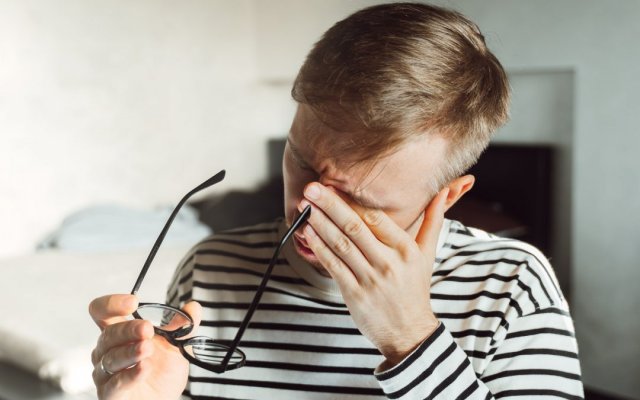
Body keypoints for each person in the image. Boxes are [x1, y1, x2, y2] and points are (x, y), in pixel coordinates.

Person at [89, 2, 584, 399]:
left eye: (357, 200)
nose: (308, 213)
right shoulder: (210, 268)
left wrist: (410, 338)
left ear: (447, 195)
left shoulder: (511, 285)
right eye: (302, 163)